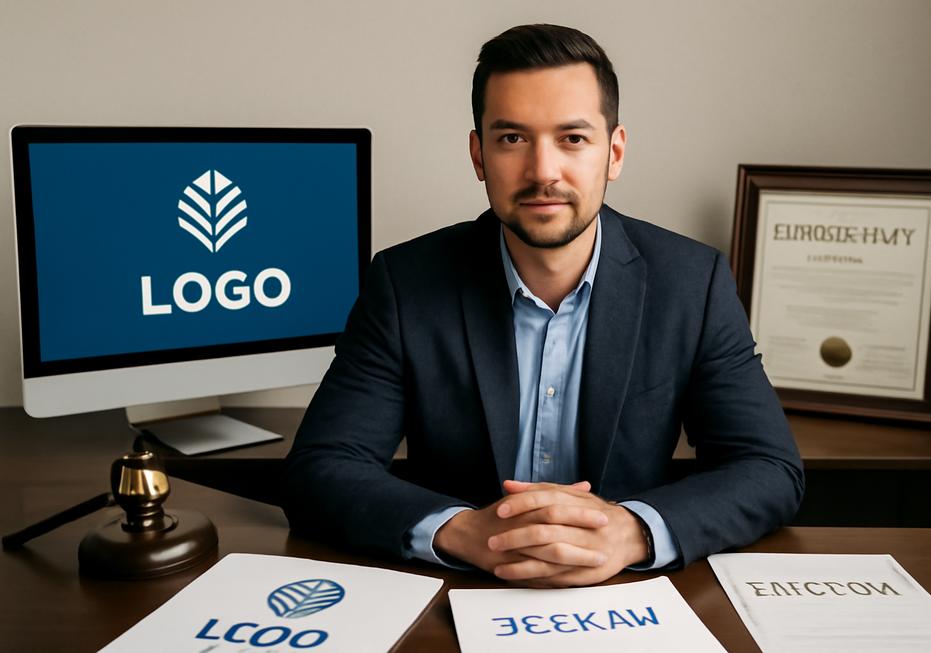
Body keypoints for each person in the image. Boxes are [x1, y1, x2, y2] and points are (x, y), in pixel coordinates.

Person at [284, 23, 803, 588]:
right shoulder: (405, 283)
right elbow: (320, 468)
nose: (543, 172)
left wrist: (633, 531)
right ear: (478, 154)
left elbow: (768, 469)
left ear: (615, 151)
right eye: (512, 139)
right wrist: (461, 531)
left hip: (626, 594)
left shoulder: (691, 282)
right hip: (461, 591)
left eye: (572, 138)